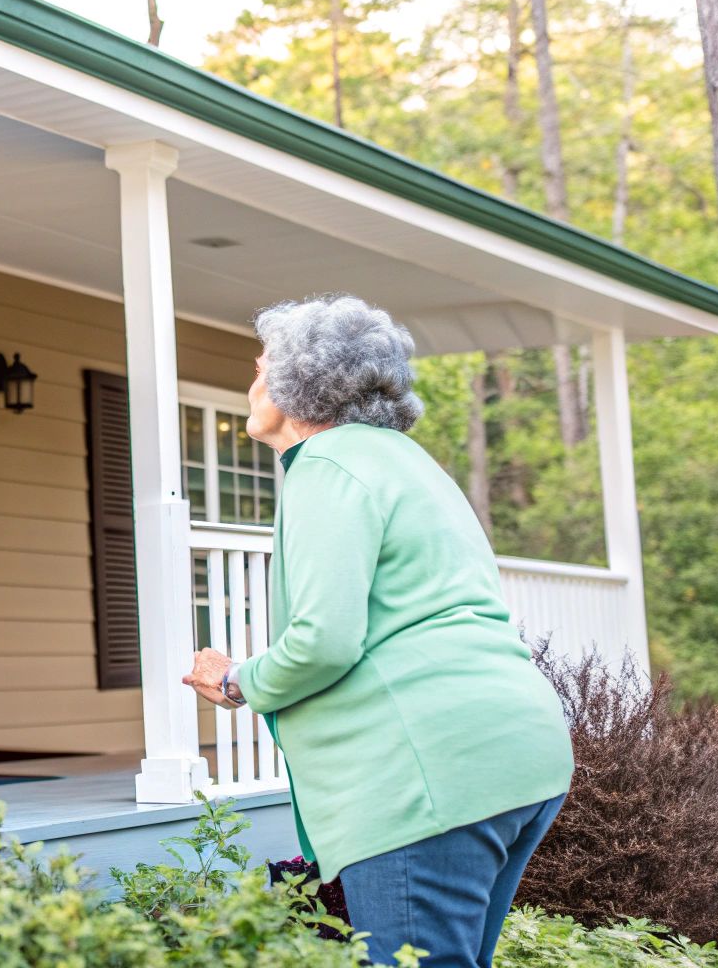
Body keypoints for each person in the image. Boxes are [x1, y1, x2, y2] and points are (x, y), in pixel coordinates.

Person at [181, 294, 574, 968]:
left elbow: (325, 642)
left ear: (296, 383)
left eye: (259, 367)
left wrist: (238, 681)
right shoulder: (406, 462)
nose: (250, 384)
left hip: (427, 776)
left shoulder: (328, 466)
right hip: (519, 758)